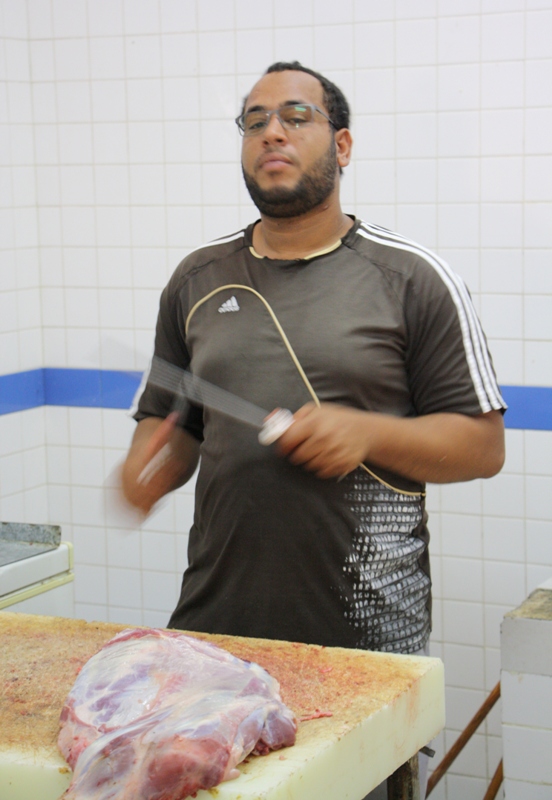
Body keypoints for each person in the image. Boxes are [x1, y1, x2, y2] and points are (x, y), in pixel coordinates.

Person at [122, 62, 506, 798]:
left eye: (296, 117)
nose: (272, 131)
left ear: (344, 143)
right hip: (216, 638)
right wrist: (146, 469)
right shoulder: (197, 279)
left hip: (365, 647)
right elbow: (172, 429)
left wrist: (366, 433)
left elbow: (483, 447)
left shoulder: (412, 278)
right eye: (254, 119)